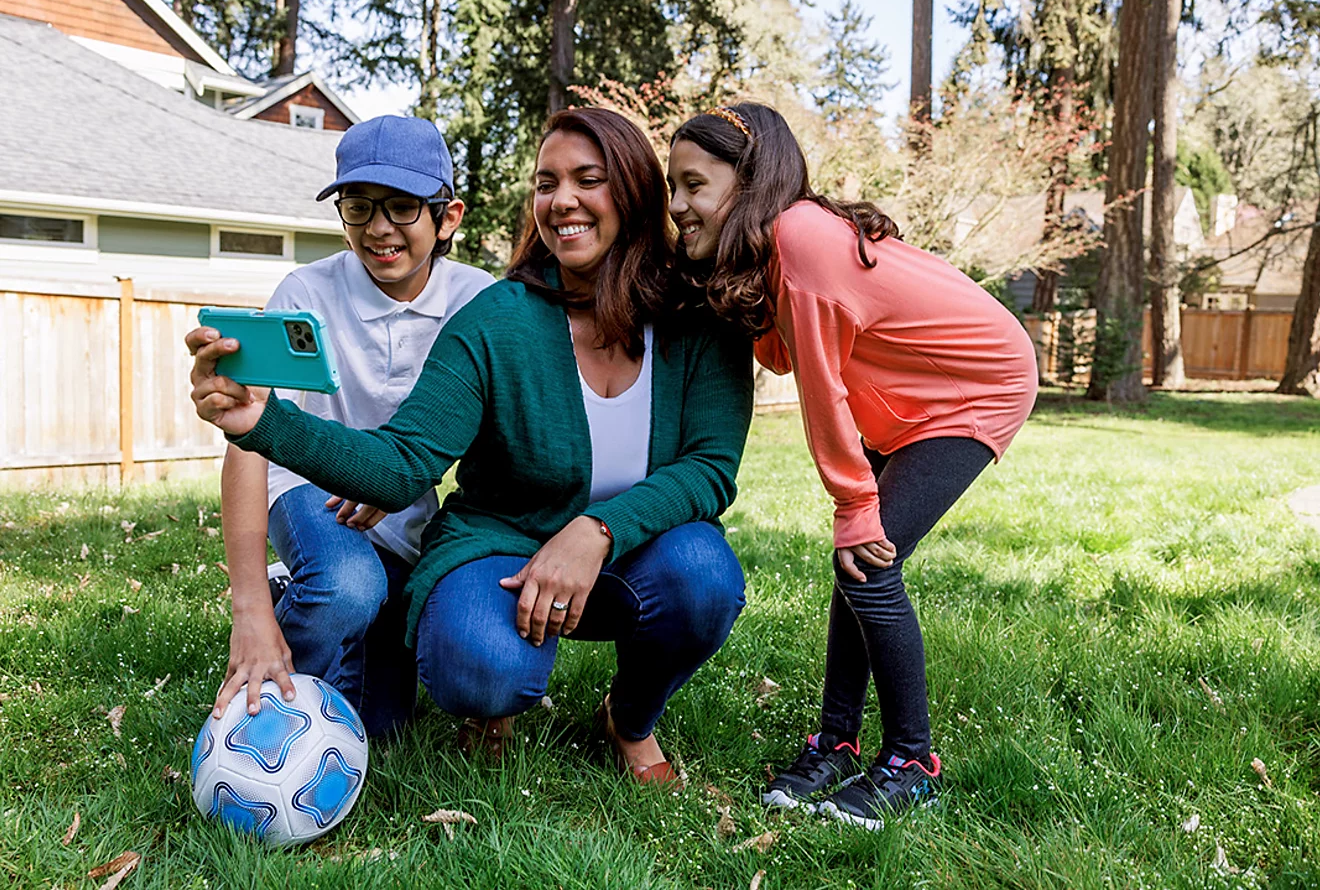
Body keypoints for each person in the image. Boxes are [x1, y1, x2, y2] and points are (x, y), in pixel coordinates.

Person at [188, 107, 753, 783]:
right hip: (499, 548)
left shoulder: (699, 316)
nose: (562, 199)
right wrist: (262, 421)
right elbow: (404, 462)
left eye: (587, 179)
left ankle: (629, 722)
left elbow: (710, 469)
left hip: (630, 555)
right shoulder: (497, 317)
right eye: (546, 183)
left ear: (633, 192)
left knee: (704, 574)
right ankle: (472, 698)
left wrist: (597, 529)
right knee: (468, 665)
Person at [667, 103, 1038, 826]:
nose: (678, 205)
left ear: (748, 181)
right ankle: (836, 741)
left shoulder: (801, 237)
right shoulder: (772, 248)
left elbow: (821, 387)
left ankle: (913, 760)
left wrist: (854, 504)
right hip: (906, 398)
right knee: (855, 566)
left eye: (693, 184)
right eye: (671, 188)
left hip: (973, 387)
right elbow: (783, 349)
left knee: (868, 560)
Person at [209, 115, 494, 738]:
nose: (379, 229)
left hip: (403, 510)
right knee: (348, 583)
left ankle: (308, 606)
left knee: (383, 727)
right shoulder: (304, 292)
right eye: (358, 207)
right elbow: (249, 441)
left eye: (402, 207)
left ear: (448, 216)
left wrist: (387, 475)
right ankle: (269, 707)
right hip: (307, 491)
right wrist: (249, 606)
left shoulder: (479, 300)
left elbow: (491, 440)